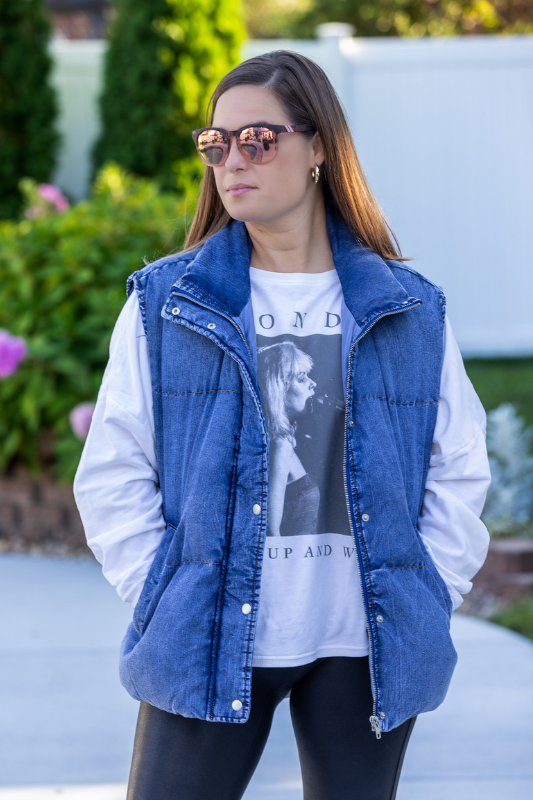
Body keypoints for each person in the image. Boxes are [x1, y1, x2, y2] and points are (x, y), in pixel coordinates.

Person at [74, 50, 491, 800]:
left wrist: (428, 591)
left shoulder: (406, 307)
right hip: (206, 633)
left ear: (318, 147)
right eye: (216, 143)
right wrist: (162, 592)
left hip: (365, 638)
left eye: (258, 140)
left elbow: (457, 463)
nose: (232, 160)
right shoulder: (168, 304)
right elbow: (113, 467)